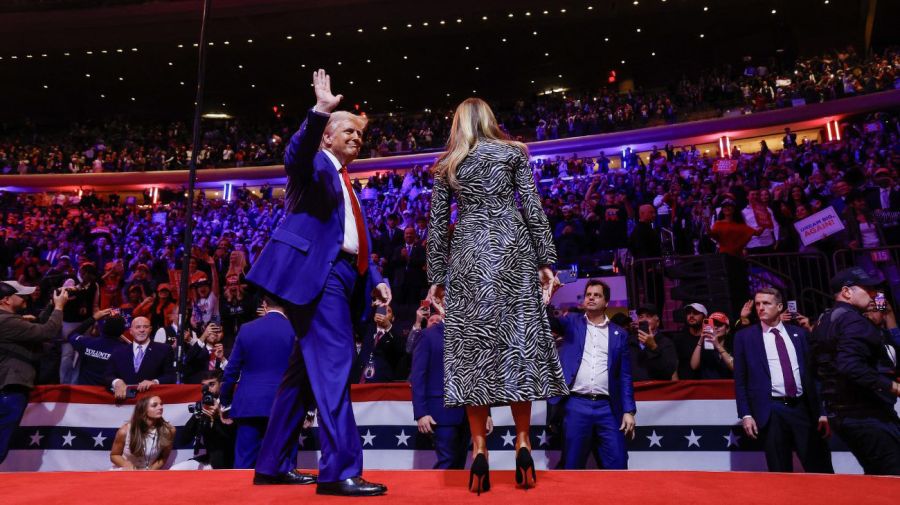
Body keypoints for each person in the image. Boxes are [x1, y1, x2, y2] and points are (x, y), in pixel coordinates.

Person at [246, 70, 389, 496]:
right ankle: (339, 470)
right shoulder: (313, 164)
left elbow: (346, 237)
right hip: (319, 278)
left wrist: (375, 277)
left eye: (360, 135)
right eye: (348, 130)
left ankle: (271, 465)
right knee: (333, 367)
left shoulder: (345, 180)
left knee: (303, 376)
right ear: (327, 136)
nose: (357, 138)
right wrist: (319, 111)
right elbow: (295, 152)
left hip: (344, 276)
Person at [427, 97, 568, 494]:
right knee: (516, 344)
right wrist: (546, 260)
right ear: (491, 119)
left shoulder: (447, 164)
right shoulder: (513, 153)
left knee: (473, 352)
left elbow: (438, 226)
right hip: (513, 249)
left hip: (469, 253)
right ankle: (523, 442)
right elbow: (533, 207)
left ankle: (479, 449)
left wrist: (436, 275)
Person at [810, 268, 900, 475]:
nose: (873, 294)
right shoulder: (853, 320)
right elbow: (850, 365)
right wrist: (893, 386)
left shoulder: (824, 320)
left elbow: (814, 369)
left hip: (845, 416)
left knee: (878, 475)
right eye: (867, 289)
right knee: (892, 478)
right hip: (867, 416)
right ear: (847, 292)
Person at [733, 288, 833, 473]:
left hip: (803, 409)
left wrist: (822, 411)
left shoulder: (799, 334)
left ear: (779, 307)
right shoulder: (744, 337)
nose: (760, 308)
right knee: (780, 471)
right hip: (771, 411)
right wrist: (746, 414)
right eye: (757, 304)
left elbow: (814, 376)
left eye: (766, 303)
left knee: (819, 468)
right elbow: (740, 380)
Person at [548, 279, 636, 469]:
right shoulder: (572, 323)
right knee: (572, 465)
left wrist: (628, 411)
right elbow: (548, 321)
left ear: (606, 302)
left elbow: (625, 376)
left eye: (597, 295)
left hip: (608, 408)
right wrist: (549, 295)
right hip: (576, 404)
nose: (591, 298)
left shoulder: (619, 334)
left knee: (618, 463)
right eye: (588, 295)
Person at [220, 294, 299, 469]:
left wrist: (225, 403)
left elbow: (231, 370)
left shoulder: (247, 329)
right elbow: (305, 373)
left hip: (250, 405)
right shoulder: (295, 330)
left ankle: (242, 497)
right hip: (285, 404)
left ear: (264, 305)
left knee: (244, 466)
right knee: (285, 467)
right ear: (286, 305)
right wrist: (308, 410)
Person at [409, 304, 490, 469]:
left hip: (470, 412)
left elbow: (479, 376)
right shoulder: (427, 336)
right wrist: (421, 413)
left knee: (460, 463)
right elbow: (418, 377)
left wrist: (486, 413)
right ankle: (438, 496)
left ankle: (453, 496)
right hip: (441, 412)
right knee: (447, 462)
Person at [0, 281, 69, 464]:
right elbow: (47, 332)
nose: (26, 298)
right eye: (21, 295)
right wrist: (59, 307)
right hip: (9, 390)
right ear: (6, 300)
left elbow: (37, 327)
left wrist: (50, 306)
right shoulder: (7, 322)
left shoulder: (10, 321)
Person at [171, 370, 236, 470]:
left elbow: (231, 440)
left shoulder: (232, 405)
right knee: (175, 470)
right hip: (210, 459)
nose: (207, 389)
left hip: (230, 462)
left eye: (212, 384)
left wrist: (218, 417)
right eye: (204, 386)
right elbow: (183, 440)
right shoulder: (203, 406)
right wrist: (197, 416)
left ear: (221, 385)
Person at [105, 316, 176, 400]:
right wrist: (116, 382)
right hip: (124, 402)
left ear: (150, 329)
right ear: (131, 331)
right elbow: (108, 375)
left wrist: (154, 382)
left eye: (145, 327)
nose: (142, 330)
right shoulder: (118, 351)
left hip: (151, 400)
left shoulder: (164, 349)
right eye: (138, 327)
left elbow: (171, 376)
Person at [109, 395, 175, 470]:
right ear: (143, 409)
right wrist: (127, 465)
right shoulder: (124, 431)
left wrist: (150, 471)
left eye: (161, 404)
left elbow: (164, 457)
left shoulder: (169, 430)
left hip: (150, 473)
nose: (160, 407)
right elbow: (114, 455)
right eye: (154, 405)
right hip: (126, 471)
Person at [67, 309, 129, 386]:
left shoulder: (86, 342)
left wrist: (93, 318)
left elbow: (71, 335)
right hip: (107, 394)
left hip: (85, 391)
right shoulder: (125, 351)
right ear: (122, 331)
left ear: (102, 328)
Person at [354, 304, 407, 383]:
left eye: (388, 311)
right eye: (381, 310)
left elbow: (401, 349)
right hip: (358, 381)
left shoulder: (395, 335)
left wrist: (388, 326)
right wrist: (371, 303)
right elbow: (356, 317)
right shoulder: (367, 330)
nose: (384, 313)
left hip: (380, 384)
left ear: (393, 318)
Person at [630, 304, 678, 380]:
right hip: (636, 390)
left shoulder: (666, 343)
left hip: (656, 389)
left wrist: (653, 347)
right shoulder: (630, 342)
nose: (644, 320)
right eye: (641, 317)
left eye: (648, 316)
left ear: (657, 322)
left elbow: (668, 372)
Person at [689, 311, 735, 379]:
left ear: (727, 329)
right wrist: (700, 341)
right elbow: (694, 366)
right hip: (709, 386)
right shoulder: (705, 345)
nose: (715, 327)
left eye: (719, 325)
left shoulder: (733, 345)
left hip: (728, 386)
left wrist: (718, 346)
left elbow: (735, 367)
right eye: (713, 324)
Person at [672, 302, 709, 380]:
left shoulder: (710, 338)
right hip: (685, 383)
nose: (691, 316)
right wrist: (675, 382)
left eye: (696, 313)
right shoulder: (679, 338)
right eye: (688, 313)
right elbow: (674, 362)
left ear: (705, 317)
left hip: (705, 383)